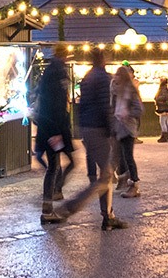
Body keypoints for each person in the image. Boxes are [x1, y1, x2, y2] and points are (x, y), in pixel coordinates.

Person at [56, 48, 126, 230]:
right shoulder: (103, 78)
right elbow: (105, 106)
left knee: (106, 174)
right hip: (99, 130)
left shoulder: (87, 77)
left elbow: (82, 105)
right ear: (103, 59)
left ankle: (108, 215)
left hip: (88, 128)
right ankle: (70, 207)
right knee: (105, 177)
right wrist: (112, 130)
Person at [33, 48, 75, 224]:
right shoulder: (58, 72)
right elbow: (56, 105)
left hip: (50, 127)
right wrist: (56, 132)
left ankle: (50, 203)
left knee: (55, 166)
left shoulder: (50, 70)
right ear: (64, 55)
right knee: (54, 167)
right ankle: (48, 207)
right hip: (54, 128)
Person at [113, 65, 144, 198]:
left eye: (118, 76)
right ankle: (123, 180)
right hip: (118, 127)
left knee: (128, 157)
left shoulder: (130, 90)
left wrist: (127, 113)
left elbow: (140, 109)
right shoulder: (117, 90)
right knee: (120, 156)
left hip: (128, 128)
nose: (115, 78)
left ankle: (134, 183)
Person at [154, 78, 168, 142]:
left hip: (162, 107)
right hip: (167, 106)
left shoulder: (163, 88)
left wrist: (156, 99)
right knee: (166, 121)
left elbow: (162, 97)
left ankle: (164, 136)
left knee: (162, 122)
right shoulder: (167, 88)